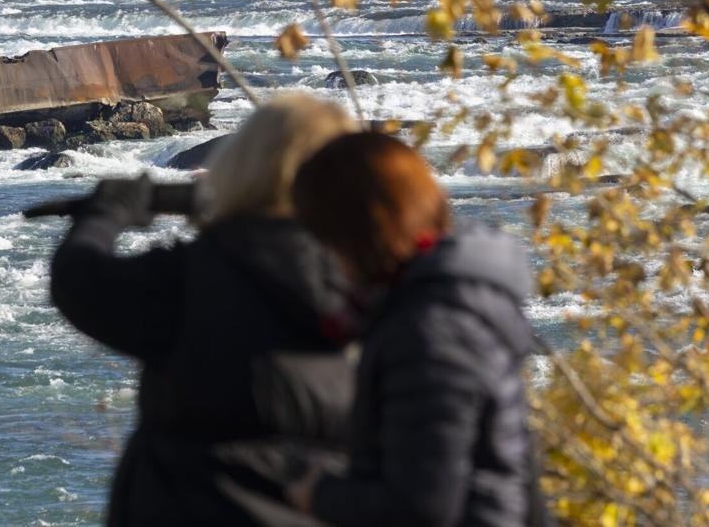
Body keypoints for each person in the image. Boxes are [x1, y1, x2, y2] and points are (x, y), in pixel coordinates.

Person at [49, 94, 361, 526]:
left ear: (240, 164)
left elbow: (80, 281)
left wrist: (105, 214)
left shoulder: (195, 278)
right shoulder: (370, 286)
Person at [289, 131, 541, 527]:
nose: (322, 257)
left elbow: (421, 507)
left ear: (357, 234)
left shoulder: (428, 332)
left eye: (324, 239)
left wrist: (317, 493)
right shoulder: (455, 300)